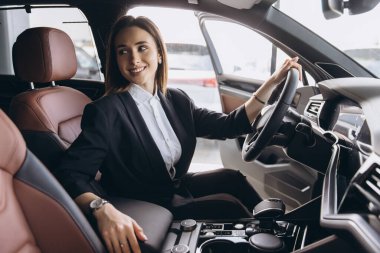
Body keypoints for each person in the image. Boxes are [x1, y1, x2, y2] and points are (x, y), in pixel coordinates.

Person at [56, 15, 302, 253]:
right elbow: (71, 173)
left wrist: (272, 82)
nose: (133, 59)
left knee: (232, 180)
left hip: (175, 188)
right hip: (148, 203)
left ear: (160, 54)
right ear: (116, 60)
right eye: (123, 51)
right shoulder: (105, 111)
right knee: (226, 205)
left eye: (142, 48)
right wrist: (102, 208)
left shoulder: (176, 99)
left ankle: (277, 234)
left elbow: (229, 125)